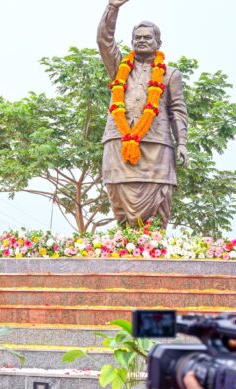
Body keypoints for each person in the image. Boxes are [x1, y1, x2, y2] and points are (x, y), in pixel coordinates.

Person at [98, 0, 189, 228]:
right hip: (119, 142)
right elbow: (104, 41)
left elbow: (177, 109)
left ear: (158, 43)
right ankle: (126, 244)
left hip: (157, 147)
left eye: (147, 37)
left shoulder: (170, 74)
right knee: (118, 192)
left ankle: (152, 246)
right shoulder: (119, 68)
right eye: (137, 37)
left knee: (158, 198)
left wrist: (183, 143)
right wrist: (112, 8)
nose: (141, 40)